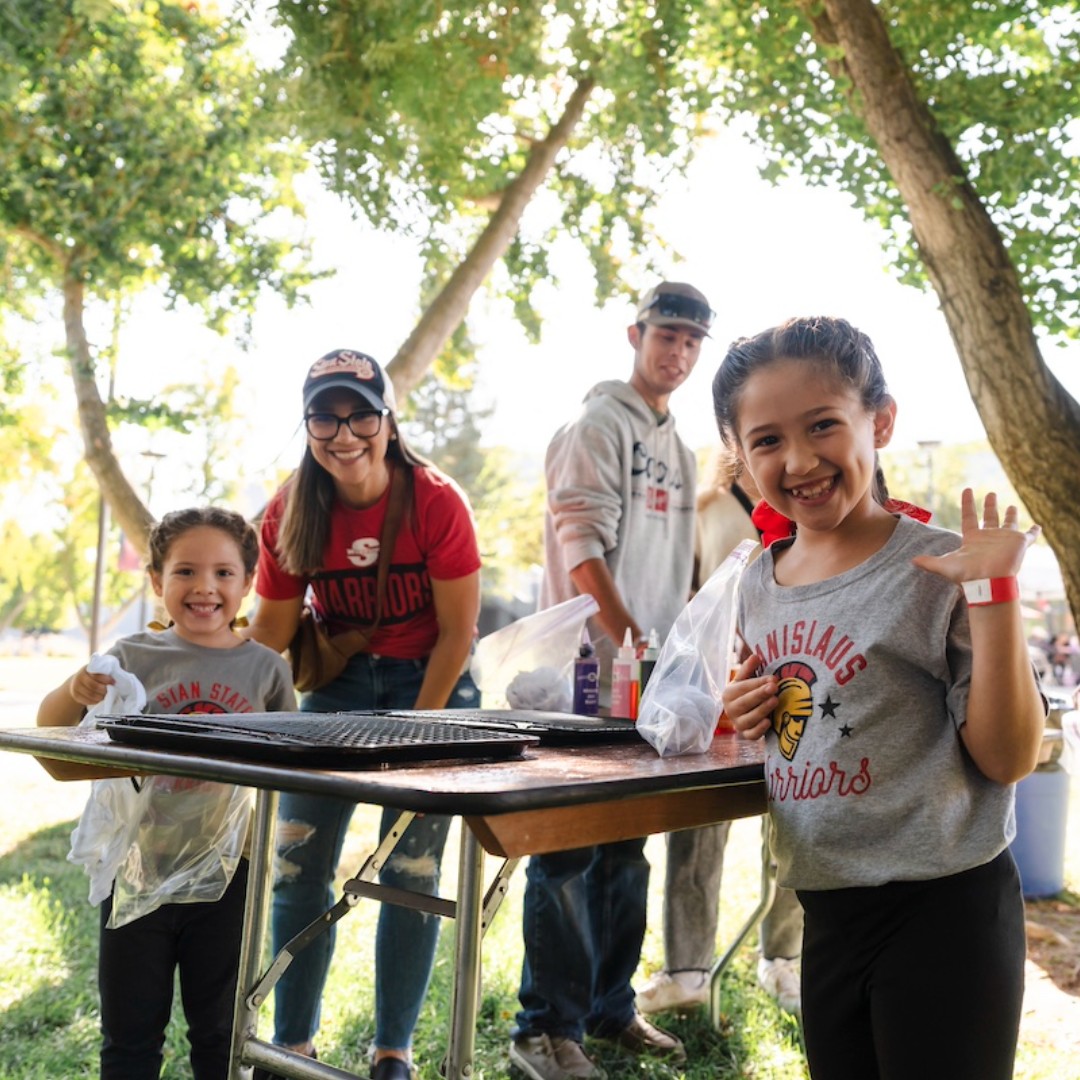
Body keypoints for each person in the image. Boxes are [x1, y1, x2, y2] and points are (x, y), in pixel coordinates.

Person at [715, 315, 1044, 1080]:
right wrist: (746, 709)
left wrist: (994, 595)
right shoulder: (757, 583)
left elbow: (1008, 757)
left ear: (881, 422)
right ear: (739, 455)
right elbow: (796, 721)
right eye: (767, 440)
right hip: (826, 907)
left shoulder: (944, 567)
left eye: (822, 425)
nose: (799, 459)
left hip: (946, 911)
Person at [242, 349, 481, 1080]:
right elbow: (270, 635)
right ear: (307, 425)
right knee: (296, 865)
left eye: (360, 416)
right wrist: (217, 688)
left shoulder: (436, 500)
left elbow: (458, 634)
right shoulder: (289, 508)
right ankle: (293, 1045)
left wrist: (417, 731)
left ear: (388, 421)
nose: (344, 434)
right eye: (325, 417)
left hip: (431, 685)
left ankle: (392, 1051)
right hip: (338, 690)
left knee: (410, 871)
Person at [510, 282, 712, 1080]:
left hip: (652, 676)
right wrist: (629, 640)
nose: (679, 352)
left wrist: (678, 653)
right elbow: (582, 549)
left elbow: (682, 567)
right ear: (635, 334)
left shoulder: (681, 447)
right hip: (587, 674)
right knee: (566, 853)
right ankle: (543, 1030)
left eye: (692, 340)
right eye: (667, 334)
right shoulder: (598, 424)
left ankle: (609, 1009)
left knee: (628, 850)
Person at [37, 507, 297, 1080]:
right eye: (185, 571)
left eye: (223, 573)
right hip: (137, 869)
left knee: (222, 1032)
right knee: (129, 1034)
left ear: (248, 583)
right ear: (156, 580)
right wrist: (75, 688)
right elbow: (52, 730)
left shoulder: (267, 671)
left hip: (229, 877)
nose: (205, 587)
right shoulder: (131, 658)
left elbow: (290, 766)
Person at [637, 449, 805, 1016]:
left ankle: (783, 958)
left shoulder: (817, 501)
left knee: (795, 829)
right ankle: (687, 970)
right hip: (718, 697)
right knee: (697, 826)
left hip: (800, 689)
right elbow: (685, 602)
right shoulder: (706, 508)